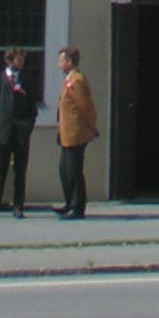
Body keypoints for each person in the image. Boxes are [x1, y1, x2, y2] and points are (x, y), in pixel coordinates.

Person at [0, 45, 37, 217]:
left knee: (20, 169)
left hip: (21, 131)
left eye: (23, 59)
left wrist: (27, 126)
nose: (21, 62)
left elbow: (33, 107)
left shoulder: (28, 79)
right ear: (10, 60)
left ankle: (18, 206)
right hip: (2, 129)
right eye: (19, 58)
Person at [54, 45, 98, 220]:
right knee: (64, 170)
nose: (59, 64)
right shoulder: (69, 79)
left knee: (74, 171)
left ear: (70, 62)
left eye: (61, 61)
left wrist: (91, 126)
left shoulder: (77, 80)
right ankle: (68, 202)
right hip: (66, 133)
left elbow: (85, 107)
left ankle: (77, 207)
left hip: (76, 134)